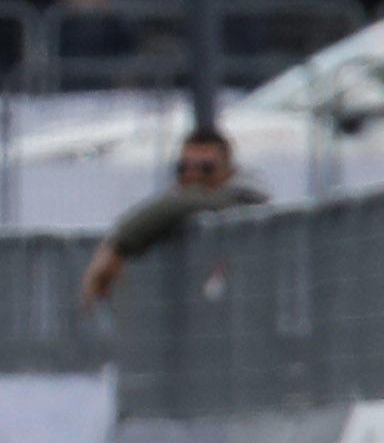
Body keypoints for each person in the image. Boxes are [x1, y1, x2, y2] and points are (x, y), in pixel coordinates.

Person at [79, 125, 266, 307]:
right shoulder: (186, 213)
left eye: (206, 168)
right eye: (182, 168)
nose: (193, 176)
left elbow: (190, 200)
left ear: (230, 170)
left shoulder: (246, 201)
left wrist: (118, 246)